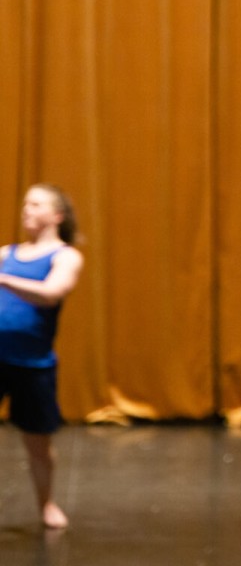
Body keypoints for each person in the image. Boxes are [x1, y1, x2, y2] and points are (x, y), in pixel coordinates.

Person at [0, 183, 83, 529]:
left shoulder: (65, 256)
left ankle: (46, 505)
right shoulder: (7, 253)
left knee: (38, 445)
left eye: (35, 205)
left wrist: (3, 280)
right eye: (24, 205)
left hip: (33, 367)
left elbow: (52, 293)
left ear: (56, 215)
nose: (26, 210)